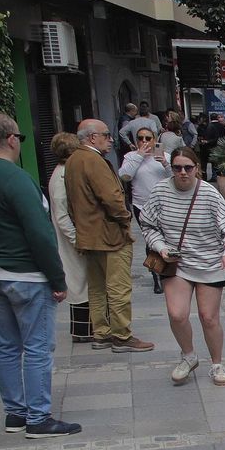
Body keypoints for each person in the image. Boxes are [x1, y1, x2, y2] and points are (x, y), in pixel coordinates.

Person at [0, 113, 81, 437]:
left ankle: (15, 413)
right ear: (12, 139)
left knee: (6, 344)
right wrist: (58, 280)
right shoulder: (14, 178)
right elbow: (40, 233)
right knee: (36, 346)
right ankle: (38, 417)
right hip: (26, 274)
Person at [139, 146, 225, 387]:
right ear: (171, 168)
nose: (183, 172)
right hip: (176, 263)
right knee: (177, 314)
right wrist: (160, 245)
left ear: (197, 169)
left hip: (209, 263)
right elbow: (147, 224)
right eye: (177, 168)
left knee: (209, 317)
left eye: (188, 167)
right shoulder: (160, 191)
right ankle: (188, 356)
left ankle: (217, 364)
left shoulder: (209, 194)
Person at [67, 118, 153, 353]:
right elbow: (111, 197)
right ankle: (121, 335)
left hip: (89, 235)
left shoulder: (74, 159)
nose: (110, 139)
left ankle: (102, 333)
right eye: (106, 134)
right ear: (92, 137)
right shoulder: (93, 160)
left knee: (97, 287)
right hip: (109, 235)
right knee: (117, 287)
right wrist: (125, 218)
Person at [46, 132, 92, 344]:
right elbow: (62, 214)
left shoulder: (65, 172)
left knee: (82, 282)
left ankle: (86, 328)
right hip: (72, 239)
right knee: (78, 283)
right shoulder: (62, 176)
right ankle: (82, 330)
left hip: (74, 237)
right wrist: (76, 239)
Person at [119, 126, 169, 220]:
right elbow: (125, 177)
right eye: (140, 138)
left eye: (148, 138)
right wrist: (139, 156)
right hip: (141, 206)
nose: (144, 141)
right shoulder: (130, 156)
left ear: (154, 140)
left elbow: (174, 177)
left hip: (163, 204)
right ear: (136, 141)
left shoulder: (165, 156)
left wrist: (165, 163)